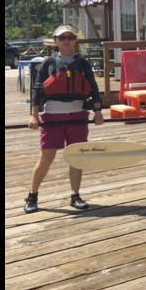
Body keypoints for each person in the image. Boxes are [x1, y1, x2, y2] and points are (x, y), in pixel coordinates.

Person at [23, 25, 104, 213]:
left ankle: (75, 195)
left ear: (75, 40)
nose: (66, 40)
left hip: (78, 115)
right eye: (62, 37)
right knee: (47, 157)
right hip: (53, 116)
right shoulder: (47, 64)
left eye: (70, 37)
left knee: (76, 157)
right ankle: (32, 196)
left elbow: (93, 87)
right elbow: (37, 90)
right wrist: (34, 115)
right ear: (56, 41)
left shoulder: (83, 64)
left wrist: (98, 112)